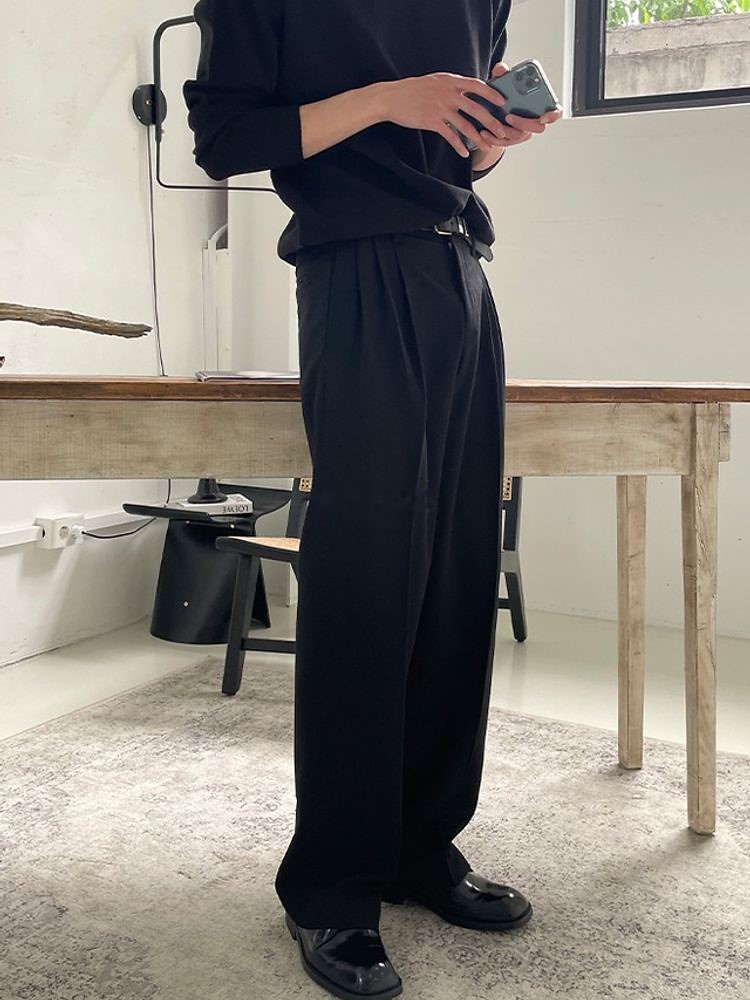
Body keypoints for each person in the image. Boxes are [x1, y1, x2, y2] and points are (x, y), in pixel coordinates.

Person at [183, 2, 561, 997]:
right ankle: (332, 883)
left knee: (458, 571)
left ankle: (420, 847)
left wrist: (495, 138)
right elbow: (225, 137)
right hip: (355, 267)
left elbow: (458, 156)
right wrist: (394, 98)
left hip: (461, 267)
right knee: (368, 576)